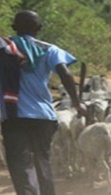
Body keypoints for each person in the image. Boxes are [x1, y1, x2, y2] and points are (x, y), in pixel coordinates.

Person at [0, 10, 86, 195]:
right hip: (43, 116)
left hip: (14, 116)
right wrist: (77, 102)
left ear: (14, 27)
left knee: (21, 165)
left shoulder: (3, 48)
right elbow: (65, 73)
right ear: (39, 28)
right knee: (42, 162)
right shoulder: (50, 49)